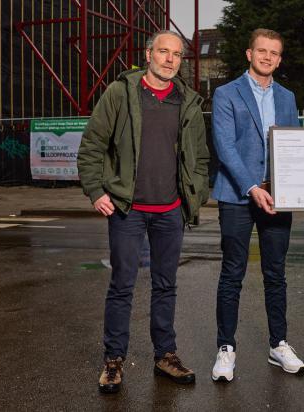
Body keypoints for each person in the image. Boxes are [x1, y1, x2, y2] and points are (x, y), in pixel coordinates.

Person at [77, 30, 210, 394]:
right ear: (149, 54)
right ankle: (113, 361)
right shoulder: (122, 93)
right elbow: (92, 146)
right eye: (163, 52)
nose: (170, 60)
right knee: (122, 285)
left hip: (170, 211)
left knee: (166, 286)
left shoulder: (187, 101)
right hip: (128, 210)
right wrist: (96, 191)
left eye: (177, 55)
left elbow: (200, 158)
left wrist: (192, 198)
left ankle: (165, 354)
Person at [210, 28, 304, 382]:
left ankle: (278, 344)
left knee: (275, 274)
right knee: (232, 273)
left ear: (279, 59)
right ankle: (226, 348)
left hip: (278, 198)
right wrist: (251, 187)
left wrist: (294, 189)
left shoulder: (288, 97)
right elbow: (225, 146)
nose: (267, 57)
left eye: (274, 53)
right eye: (261, 51)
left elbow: (294, 145)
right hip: (237, 195)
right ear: (249, 54)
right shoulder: (225, 93)